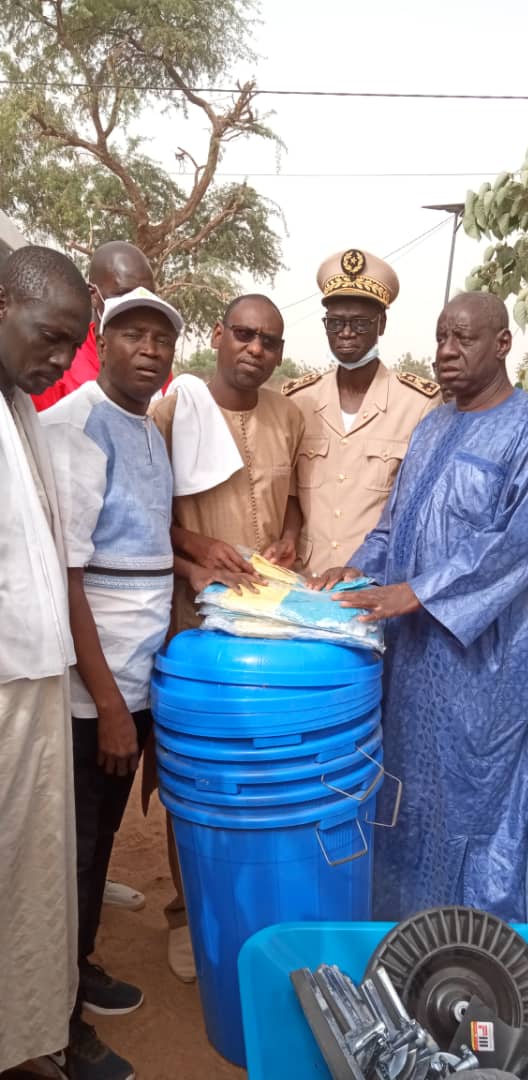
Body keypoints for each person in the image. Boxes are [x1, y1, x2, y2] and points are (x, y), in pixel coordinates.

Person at [312, 292, 528, 923]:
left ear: (503, 344)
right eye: (440, 339)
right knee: (405, 800)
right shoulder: (431, 427)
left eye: (463, 339)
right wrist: (361, 565)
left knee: (472, 808)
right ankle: (399, 945)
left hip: (481, 671)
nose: (447, 353)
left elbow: (522, 545)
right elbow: (395, 522)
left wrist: (418, 592)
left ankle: (467, 960)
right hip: (409, 663)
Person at [41, 286, 184, 1080]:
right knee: (73, 853)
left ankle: (78, 966)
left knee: (91, 860)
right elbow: (66, 578)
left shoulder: (145, 427)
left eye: (162, 339)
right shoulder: (76, 428)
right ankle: (55, 1026)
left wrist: (197, 553)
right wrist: (105, 703)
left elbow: (146, 539)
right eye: (132, 334)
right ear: (104, 340)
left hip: (130, 685)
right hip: (88, 694)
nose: (149, 351)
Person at [151, 292, 305, 980]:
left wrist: (294, 537)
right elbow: (141, 511)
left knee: (259, 773)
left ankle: (250, 909)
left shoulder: (288, 414)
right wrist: (195, 541)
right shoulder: (172, 409)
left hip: (270, 627)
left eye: (269, 341)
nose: (255, 350)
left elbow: (295, 501)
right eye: (243, 335)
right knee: (191, 773)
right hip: (193, 624)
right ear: (218, 335)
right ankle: (188, 913)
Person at [0, 246, 90, 1074]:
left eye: (72, 344)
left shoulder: (17, 405)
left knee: (32, 875)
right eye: (51, 335)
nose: (61, 360)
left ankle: (24, 1037)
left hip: (33, 677)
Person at [282, 248, 440, 574]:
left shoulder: (420, 403)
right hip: (303, 582)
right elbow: (289, 496)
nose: (346, 332)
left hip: (373, 585)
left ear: (381, 324)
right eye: (336, 322)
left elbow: (417, 508)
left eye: (360, 322)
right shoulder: (298, 400)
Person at [31, 240, 155, 413]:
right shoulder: (57, 365)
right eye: (125, 296)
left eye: (148, 298)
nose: (138, 308)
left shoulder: (156, 359)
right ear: (92, 295)